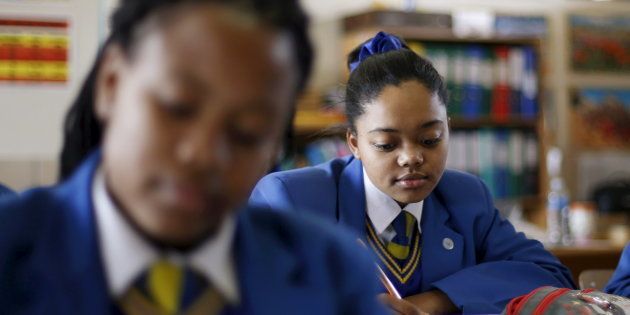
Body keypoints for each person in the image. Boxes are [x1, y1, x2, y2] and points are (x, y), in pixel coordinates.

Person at [0, 1, 393, 314]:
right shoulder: (13, 251)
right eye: (176, 108)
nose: (203, 155)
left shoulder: (330, 275)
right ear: (111, 83)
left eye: (247, 132)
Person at [250, 31, 576, 314]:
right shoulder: (291, 200)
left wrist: (434, 301)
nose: (412, 158)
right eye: (385, 144)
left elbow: (548, 272)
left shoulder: (465, 196)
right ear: (354, 143)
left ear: (448, 130)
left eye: (430, 139)